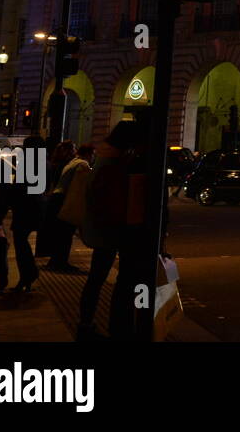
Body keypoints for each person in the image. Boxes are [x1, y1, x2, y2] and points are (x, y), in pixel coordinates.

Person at [77, 121, 142, 341]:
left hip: (101, 228)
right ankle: (87, 325)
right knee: (102, 279)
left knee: (96, 278)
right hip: (110, 230)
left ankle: (85, 324)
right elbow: (113, 202)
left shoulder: (105, 159)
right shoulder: (113, 164)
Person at [3, 135, 47, 292]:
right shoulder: (41, 162)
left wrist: (9, 191)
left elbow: (22, 186)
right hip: (33, 207)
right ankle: (28, 274)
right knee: (22, 242)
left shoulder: (30, 163)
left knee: (20, 242)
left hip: (26, 207)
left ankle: (28, 274)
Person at [46, 144, 93, 271]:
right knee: (66, 234)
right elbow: (80, 187)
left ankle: (55, 261)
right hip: (65, 200)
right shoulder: (82, 164)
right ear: (89, 154)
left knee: (60, 234)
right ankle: (61, 263)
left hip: (57, 198)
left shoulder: (73, 162)